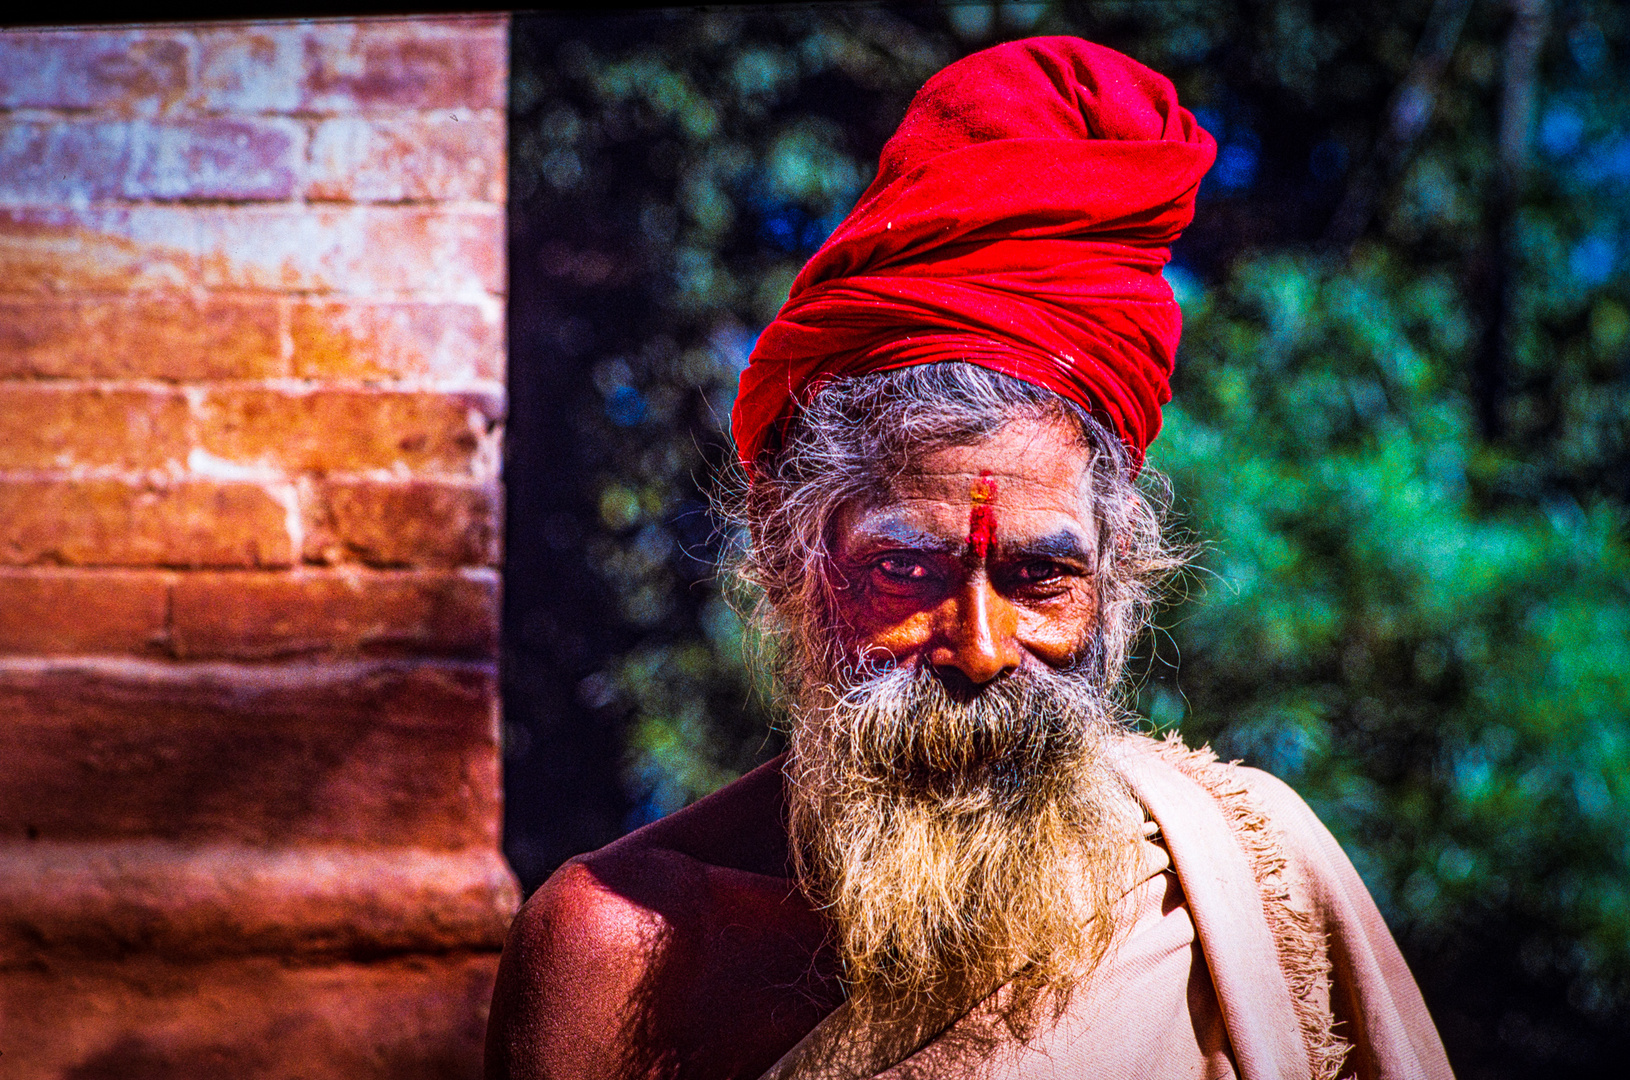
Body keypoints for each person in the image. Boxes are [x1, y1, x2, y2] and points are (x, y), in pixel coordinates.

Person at [486, 37, 1454, 1080]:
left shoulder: (1248, 879)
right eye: (904, 574)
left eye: (1041, 579)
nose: (983, 650)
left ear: (1118, 567)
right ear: (787, 553)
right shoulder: (621, 952)